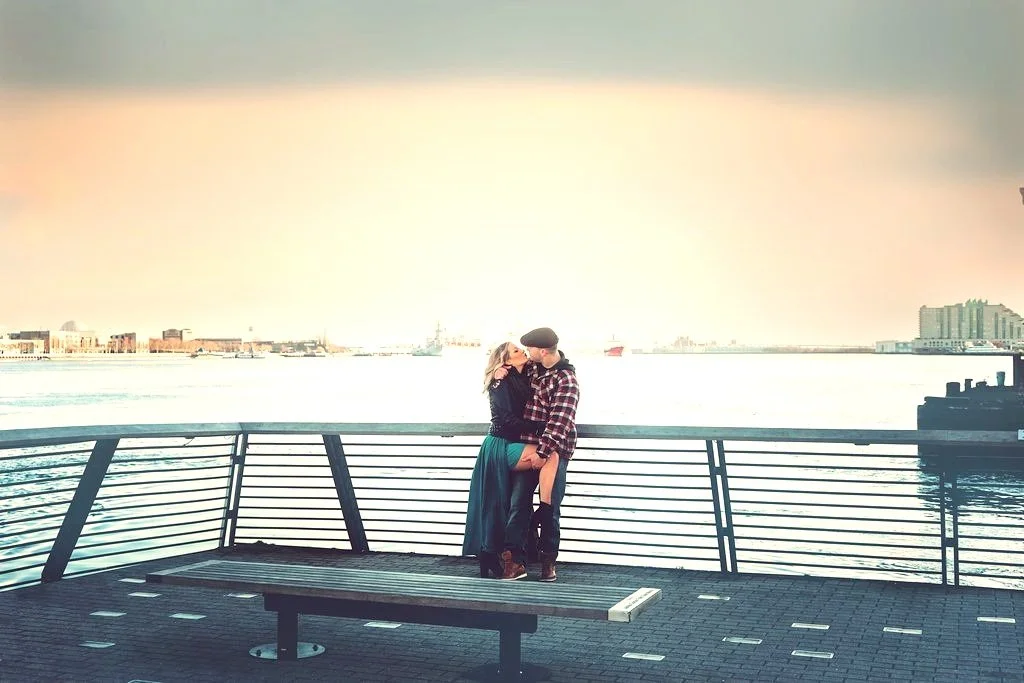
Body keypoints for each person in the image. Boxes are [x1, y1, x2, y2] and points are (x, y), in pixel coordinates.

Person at [462, 341, 561, 579]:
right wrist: (539, 427)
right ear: (506, 360)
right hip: (500, 445)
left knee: (499, 502)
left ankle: (493, 554)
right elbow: (506, 419)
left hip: (511, 444)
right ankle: (545, 512)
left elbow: (547, 364)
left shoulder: (522, 375)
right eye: (516, 351)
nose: (522, 352)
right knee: (550, 455)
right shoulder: (500, 382)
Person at [503, 326, 580, 583]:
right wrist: (499, 372)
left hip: (554, 451)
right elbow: (509, 371)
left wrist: (543, 452)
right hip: (527, 447)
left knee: (550, 507)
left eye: (530, 349)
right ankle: (515, 561)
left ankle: (548, 563)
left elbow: (561, 421)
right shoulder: (533, 370)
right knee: (518, 504)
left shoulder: (567, 380)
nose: (527, 352)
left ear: (543, 351)